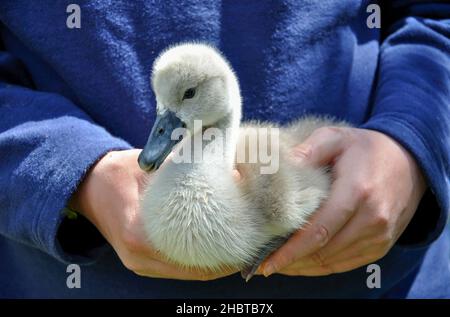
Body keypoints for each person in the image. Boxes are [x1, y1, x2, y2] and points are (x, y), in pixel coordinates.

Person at [0, 0, 448, 298]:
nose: (164, 127)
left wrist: (410, 139)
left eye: (185, 101)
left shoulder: (273, 178)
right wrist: (73, 174)